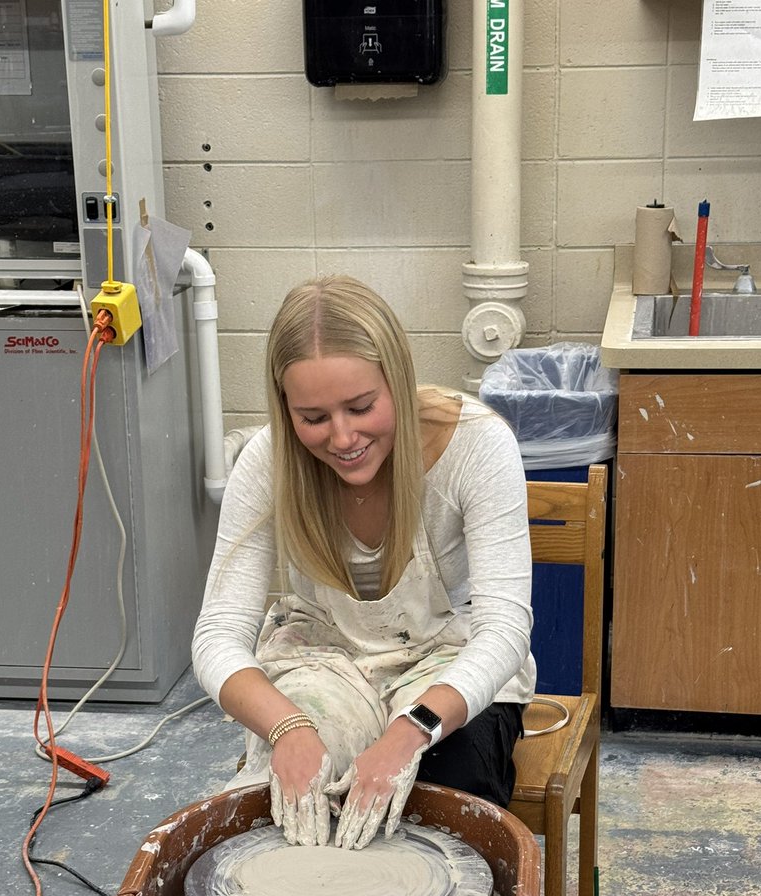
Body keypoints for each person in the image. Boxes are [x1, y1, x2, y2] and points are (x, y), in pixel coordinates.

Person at [192, 275, 536, 850]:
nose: (343, 437)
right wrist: (288, 727)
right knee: (280, 810)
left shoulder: (477, 445)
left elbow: (505, 629)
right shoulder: (268, 461)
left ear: (397, 380)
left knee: (443, 804)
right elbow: (217, 635)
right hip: (324, 658)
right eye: (313, 418)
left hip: (449, 657)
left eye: (361, 407)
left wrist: (411, 730)